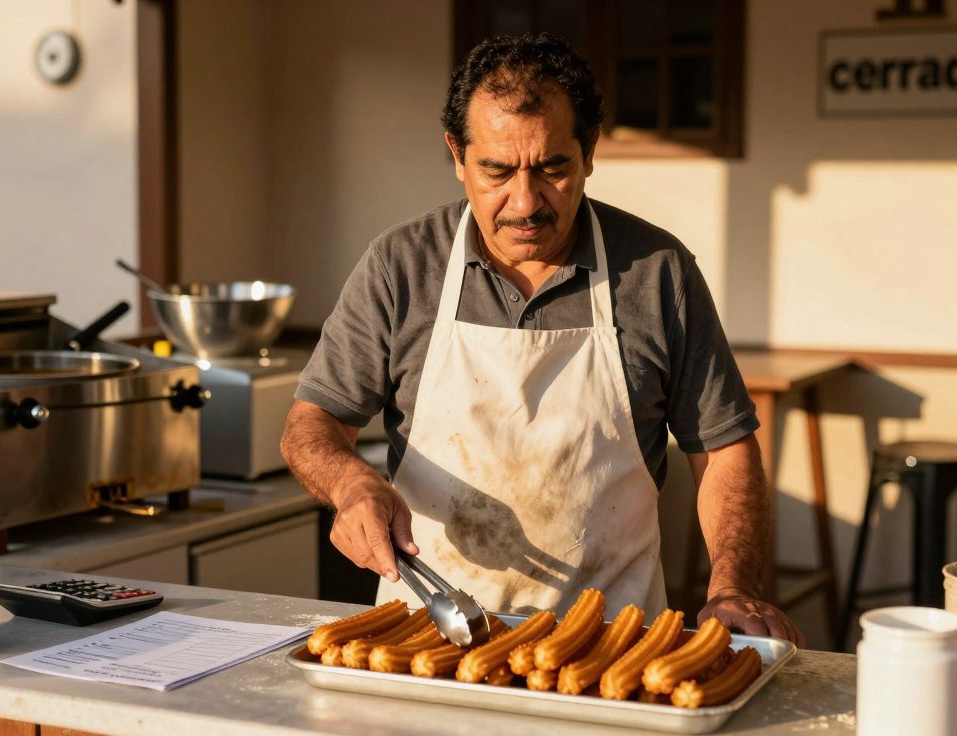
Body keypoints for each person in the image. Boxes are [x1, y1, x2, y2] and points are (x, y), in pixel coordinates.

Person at [281, 33, 803, 645]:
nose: (525, 203)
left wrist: (732, 587)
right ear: (457, 155)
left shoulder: (657, 273)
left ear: (590, 152)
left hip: (610, 643)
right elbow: (311, 425)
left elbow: (724, 451)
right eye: (497, 171)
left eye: (552, 168)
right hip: (429, 633)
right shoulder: (402, 267)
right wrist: (351, 485)